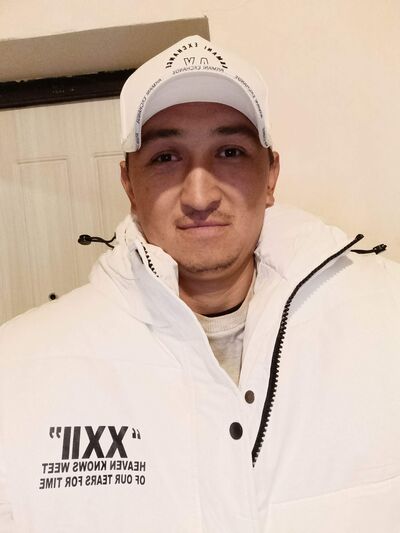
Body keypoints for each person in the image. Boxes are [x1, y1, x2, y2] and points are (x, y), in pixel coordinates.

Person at [0, 35, 399, 533]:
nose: (199, 196)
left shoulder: (387, 319)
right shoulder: (18, 368)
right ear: (128, 182)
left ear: (271, 175)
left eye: (230, 151)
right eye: (166, 157)